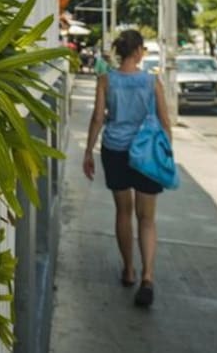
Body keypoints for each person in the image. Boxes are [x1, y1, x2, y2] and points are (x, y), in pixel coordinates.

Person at [82, 28, 172, 308]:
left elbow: (98, 118)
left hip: (116, 151)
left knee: (123, 212)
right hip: (146, 153)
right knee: (147, 218)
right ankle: (148, 276)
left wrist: (88, 151)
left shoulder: (105, 80)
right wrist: (166, 153)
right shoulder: (152, 82)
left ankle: (129, 269)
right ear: (138, 51)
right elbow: (165, 121)